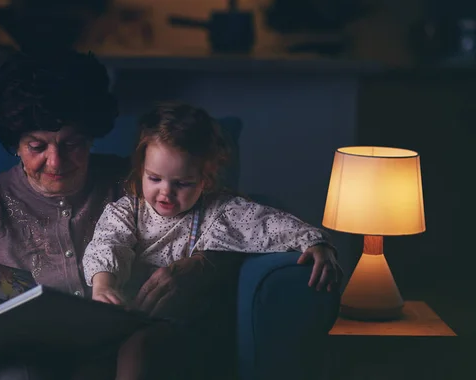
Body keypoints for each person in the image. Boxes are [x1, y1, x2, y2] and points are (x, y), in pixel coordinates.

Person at [0, 51, 241, 380]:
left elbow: (235, 226)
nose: (56, 162)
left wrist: (195, 267)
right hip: (22, 364)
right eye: (37, 146)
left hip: (119, 359)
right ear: (15, 145)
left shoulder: (138, 184)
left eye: (72, 144)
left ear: (91, 138)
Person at [83, 102, 342, 315]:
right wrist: (103, 286)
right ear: (141, 171)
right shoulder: (126, 212)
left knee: (137, 351)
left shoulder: (219, 213)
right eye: (154, 178)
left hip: (181, 329)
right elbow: (108, 243)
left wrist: (317, 243)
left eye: (182, 183)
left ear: (204, 180)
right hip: (126, 315)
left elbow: (272, 224)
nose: (166, 192)